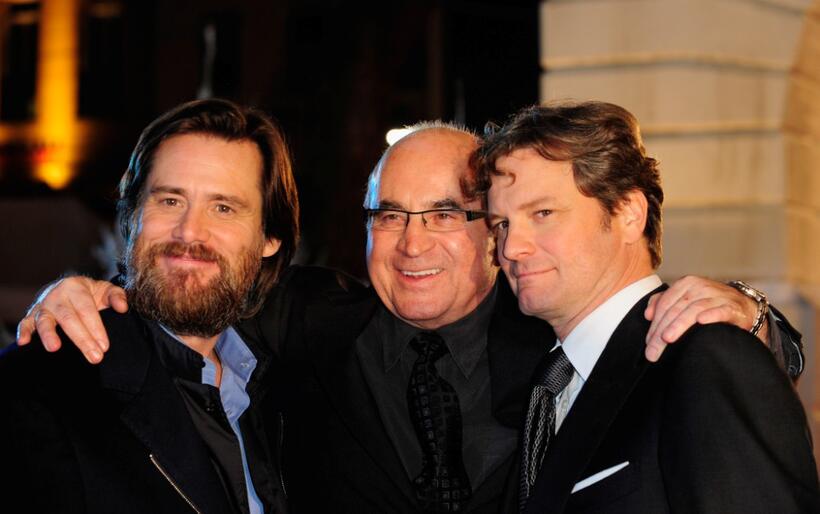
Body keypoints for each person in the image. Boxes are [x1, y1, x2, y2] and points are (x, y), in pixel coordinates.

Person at [17, 119, 805, 513]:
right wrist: (85, 290)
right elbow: (194, 277)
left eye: (447, 215)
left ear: (489, 232)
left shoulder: (555, 331)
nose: (411, 242)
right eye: (388, 215)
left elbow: (681, 366)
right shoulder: (308, 326)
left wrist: (758, 315)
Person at [475, 101, 819, 513]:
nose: (512, 248)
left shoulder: (706, 358)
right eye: (502, 224)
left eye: (543, 213)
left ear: (628, 214)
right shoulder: (542, 382)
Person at [0, 98, 299, 513]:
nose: (190, 231)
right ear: (132, 216)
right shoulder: (38, 387)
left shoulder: (293, 383)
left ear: (270, 239)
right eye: (170, 201)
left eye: (224, 208)